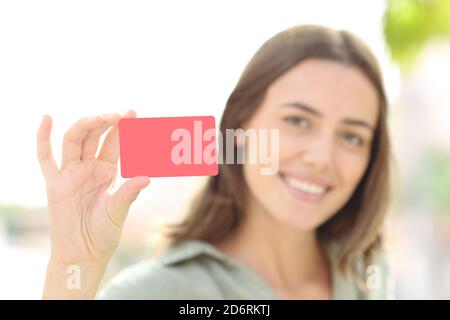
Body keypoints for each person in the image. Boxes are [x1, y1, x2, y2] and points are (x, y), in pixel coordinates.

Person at [37, 24, 395, 300]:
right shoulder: (157, 292)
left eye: (352, 136)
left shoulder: (368, 277)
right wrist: (75, 265)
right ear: (238, 129)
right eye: (298, 120)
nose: (321, 158)